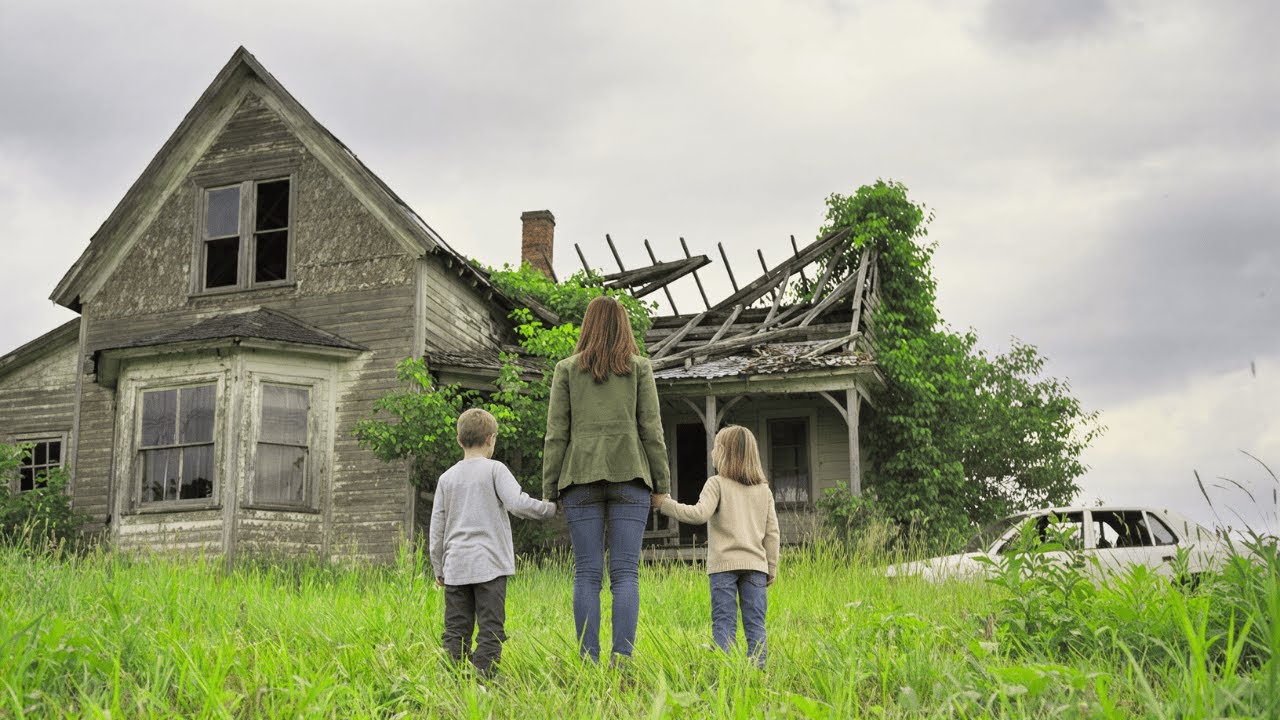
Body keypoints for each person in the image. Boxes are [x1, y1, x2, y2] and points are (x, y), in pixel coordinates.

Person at [542, 295, 671, 664]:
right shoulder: (640, 368)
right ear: (625, 326)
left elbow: (556, 434)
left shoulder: (565, 370)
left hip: (579, 478)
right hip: (631, 476)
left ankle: (587, 659)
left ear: (586, 327)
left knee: (586, 574)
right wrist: (661, 484)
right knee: (626, 573)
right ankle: (623, 658)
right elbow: (652, 431)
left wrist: (550, 489)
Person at [430, 407, 556, 677]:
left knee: (455, 627)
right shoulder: (495, 470)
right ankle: (482, 677)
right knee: (491, 626)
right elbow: (517, 504)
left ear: (459, 440)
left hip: (456, 566)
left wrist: (438, 567)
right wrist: (549, 508)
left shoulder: (446, 478)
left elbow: (436, 529)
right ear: (491, 439)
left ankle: (452, 676)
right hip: (491, 565)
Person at [651, 425, 779, 668]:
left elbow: (699, 514)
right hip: (756, 567)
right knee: (756, 625)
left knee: (723, 623)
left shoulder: (716, 483)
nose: (711, 453)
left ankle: (725, 673)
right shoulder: (764, 490)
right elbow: (772, 532)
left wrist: (664, 504)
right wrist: (771, 565)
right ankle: (758, 674)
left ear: (724, 453)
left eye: (715, 447)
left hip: (723, 567)